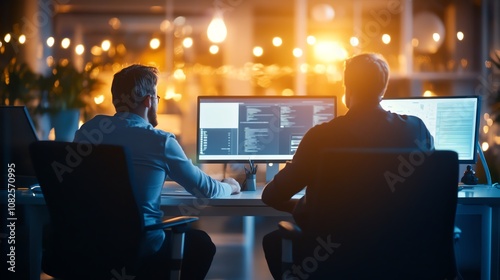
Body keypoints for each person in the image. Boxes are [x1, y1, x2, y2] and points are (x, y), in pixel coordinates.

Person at [261, 53, 434, 279]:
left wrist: (305, 206)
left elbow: (272, 195)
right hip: (398, 253)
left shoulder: (320, 137)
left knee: (274, 241)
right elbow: (427, 188)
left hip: (331, 256)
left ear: (347, 88)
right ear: (383, 89)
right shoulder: (416, 130)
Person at [73, 64, 241, 279]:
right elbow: (206, 190)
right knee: (201, 243)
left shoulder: (88, 131)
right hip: (142, 247)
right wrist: (230, 185)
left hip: (92, 246)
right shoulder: (160, 141)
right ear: (148, 100)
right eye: (157, 97)